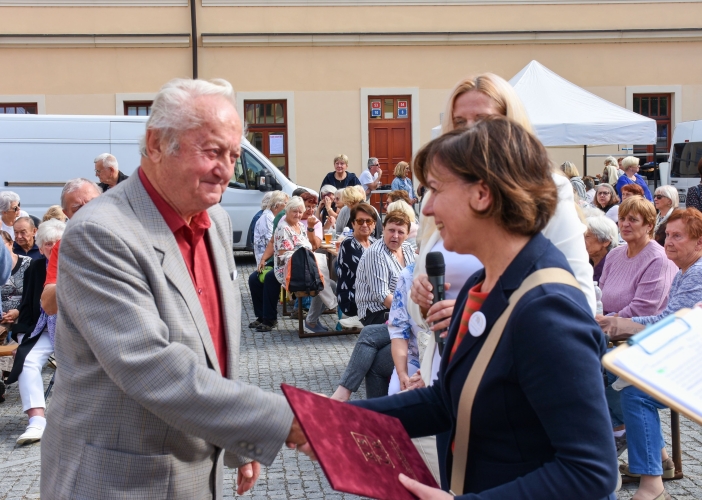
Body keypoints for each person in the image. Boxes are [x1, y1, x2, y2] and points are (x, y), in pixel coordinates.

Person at [40, 78, 311, 499]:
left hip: (196, 474)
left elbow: (216, 346)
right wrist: (280, 421)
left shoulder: (215, 222)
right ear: (155, 144)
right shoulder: (99, 232)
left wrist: (240, 442)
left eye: (233, 155)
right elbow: (150, 366)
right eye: (212, 151)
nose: (226, 170)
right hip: (121, 480)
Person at [349, 117, 618, 500]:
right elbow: (447, 399)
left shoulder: (547, 308)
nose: (427, 209)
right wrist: (348, 422)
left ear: (482, 194)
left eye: (437, 190)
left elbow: (590, 472)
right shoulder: (482, 285)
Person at [432, 72, 597, 315]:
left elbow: (578, 297)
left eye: (482, 120)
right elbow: (423, 310)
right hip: (447, 351)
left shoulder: (547, 189)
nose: (469, 131)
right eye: (459, 122)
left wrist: (473, 315)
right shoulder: (441, 189)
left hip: (512, 348)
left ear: (510, 124)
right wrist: (422, 301)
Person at [598, 208, 702, 500]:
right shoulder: (686, 270)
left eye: (678, 236)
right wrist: (614, 323)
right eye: (667, 234)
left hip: (692, 368)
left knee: (635, 389)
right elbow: (669, 317)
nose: (668, 241)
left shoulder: (697, 272)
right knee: (613, 368)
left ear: (699, 243)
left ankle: (652, 484)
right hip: (686, 356)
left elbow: (672, 323)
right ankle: (657, 458)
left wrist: (617, 324)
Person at [7, 218, 65, 445]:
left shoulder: (79, 265)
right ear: (39, 247)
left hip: (73, 332)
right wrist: (22, 338)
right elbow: (27, 307)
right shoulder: (36, 267)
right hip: (41, 329)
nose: (52, 248)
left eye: (56, 243)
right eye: (47, 244)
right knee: (27, 360)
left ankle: (71, 418)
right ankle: (37, 421)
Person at [598, 196, 677, 318]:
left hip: (639, 333)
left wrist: (603, 321)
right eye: (622, 219)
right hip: (606, 328)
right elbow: (600, 298)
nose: (624, 224)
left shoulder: (659, 259)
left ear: (649, 226)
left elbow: (642, 311)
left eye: (633, 220)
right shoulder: (613, 255)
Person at [273, 196, 337, 334]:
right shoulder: (283, 228)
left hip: (304, 267)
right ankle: (322, 315)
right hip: (290, 270)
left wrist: (311, 230)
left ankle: (312, 320)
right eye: (294, 211)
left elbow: (313, 246)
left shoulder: (301, 226)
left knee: (329, 284)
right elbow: (284, 255)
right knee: (322, 283)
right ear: (287, 211)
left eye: (300, 212)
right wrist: (306, 255)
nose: (298, 215)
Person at [38, 178, 103, 317]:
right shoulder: (63, 247)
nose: (87, 211)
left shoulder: (129, 234)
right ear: (67, 214)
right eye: (77, 208)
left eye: (92, 203)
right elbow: (48, 305)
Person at [355, 210, 415, 326]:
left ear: (407, 235)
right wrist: (414, 312)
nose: (395, 236)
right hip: (376, 312)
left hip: (402, 306)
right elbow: (383, 297)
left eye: (401, 232)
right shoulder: (376, 253)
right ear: (383, 229)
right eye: (391, 230)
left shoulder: (407, 248)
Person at [335, 202, 376, 319]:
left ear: (374, 224)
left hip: (372, 294)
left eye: (368, 221)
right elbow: (367, 273)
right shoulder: (348, 244)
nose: (364, 225)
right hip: (353, 298)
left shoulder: (374, 242)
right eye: (360, 221)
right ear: (353, 223)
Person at [0, 230, 32, 329]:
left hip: (22, 314)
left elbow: (32, 293)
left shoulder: (27, 263)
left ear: (11, 243)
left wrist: (18, 311)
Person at [253, 191, 287, 266]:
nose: (287, 206)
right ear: (277, 205)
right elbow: (270, 240)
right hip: (266, 261)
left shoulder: (274, 216)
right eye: (285, 203)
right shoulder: (267, 217)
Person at [584, 214, 619, 283]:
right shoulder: (584, 262)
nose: (581, 240)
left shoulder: (614, 267)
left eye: (586, 236)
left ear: (606, 241)